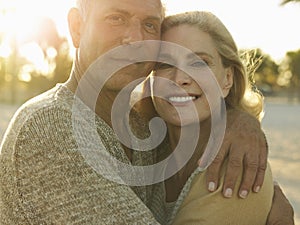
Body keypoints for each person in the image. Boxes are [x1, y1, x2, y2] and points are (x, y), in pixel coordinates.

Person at [0, 0, 294, 224]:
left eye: (151, 25)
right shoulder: (50, 126)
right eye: (116, 18)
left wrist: (237, 119)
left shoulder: (141, 125)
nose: (136, 38)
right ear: (77, 27)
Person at [138, 10, 287, 224]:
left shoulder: (239, 171)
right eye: (164, 64)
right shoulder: (143, 154)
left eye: (199, 63)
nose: (180, 78)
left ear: (227, 79)